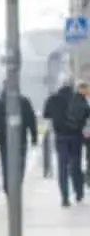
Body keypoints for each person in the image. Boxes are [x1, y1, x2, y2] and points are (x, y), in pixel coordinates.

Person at [43, 76, 90, 206]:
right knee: (76, 164)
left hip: (61, 136)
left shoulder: (53, 99)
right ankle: (78, 192)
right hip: (76, 136)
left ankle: (64, 197)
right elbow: (86, 113)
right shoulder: (79, 98)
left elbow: (46, 114)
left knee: (62, 166)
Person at [0, 81, 38, 196]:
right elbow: (32, 120)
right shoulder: (23, 102)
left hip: (4, 140)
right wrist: (34, 137)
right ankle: (15, 187)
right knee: (19, 165)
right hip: (19, 139)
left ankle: (9, 189)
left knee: (6, 166)